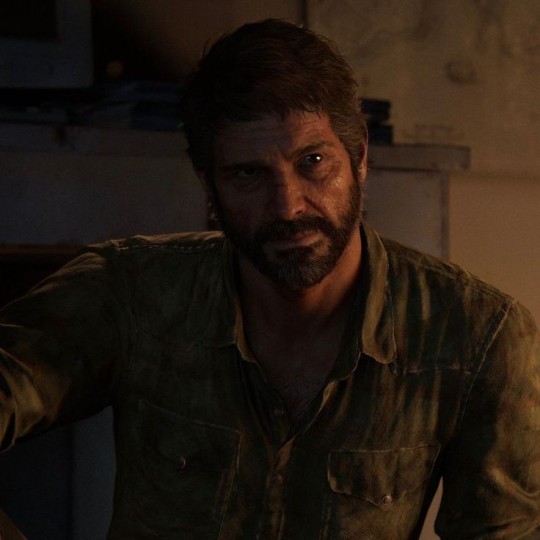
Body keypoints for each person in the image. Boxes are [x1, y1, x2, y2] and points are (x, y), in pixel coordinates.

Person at [0, 18, 539, 539]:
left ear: (359, 158)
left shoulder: (478, 334)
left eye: (313, 161)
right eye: (248, 173)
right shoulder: (130, 289)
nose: (287, 206)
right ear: (209, 185)